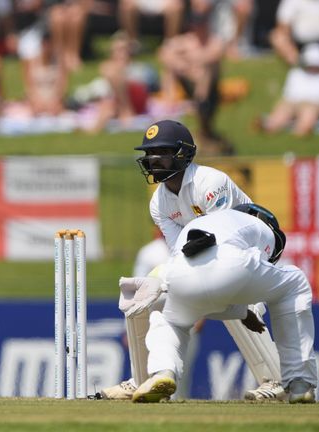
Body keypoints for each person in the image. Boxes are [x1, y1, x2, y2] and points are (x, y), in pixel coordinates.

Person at [100, 120, 286, 402]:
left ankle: (277, 381)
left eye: (161, 152)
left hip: (250, 252)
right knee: (144, 294)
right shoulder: (159, 202)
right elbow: (177, 251)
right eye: (149, 153)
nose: (153, 160)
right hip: (201, 258)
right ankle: (141, 380)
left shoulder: (210, 183)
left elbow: (224, 240)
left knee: (232, 293)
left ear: (182, 153)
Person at [125, 204, 317, 404]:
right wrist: (246, 311)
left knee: (167, 321)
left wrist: (242, 314)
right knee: (295, 283)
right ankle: (299, 383)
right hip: (231, 264)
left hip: (179, 273)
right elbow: (231, 281)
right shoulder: (261, 226)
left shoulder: (205, 221)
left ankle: (163, 371)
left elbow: (210, 296)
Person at [158, 12, 232, 155]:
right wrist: (183, 65)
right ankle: (170, 102)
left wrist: (191, 60)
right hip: (190, 78)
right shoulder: (188, 41)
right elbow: (164, 53)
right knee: (169, 69)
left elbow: (212, 58)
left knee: (207, 71)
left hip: (208, 83)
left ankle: (200, 100)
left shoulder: (214, 40)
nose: (199, 28)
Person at [258, 43, 319, 137]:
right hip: (293, 102)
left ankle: (299, 134)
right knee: (284, 109)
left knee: (308, 111)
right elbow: (288, 95)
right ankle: (270, 127)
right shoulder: (295, 73)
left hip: (318, 105)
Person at [270, 0, 319, 67]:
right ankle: (297, 63)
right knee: (277, 36)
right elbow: (283, 25)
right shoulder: (290, 1)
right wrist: (287, 38)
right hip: (298, 44)